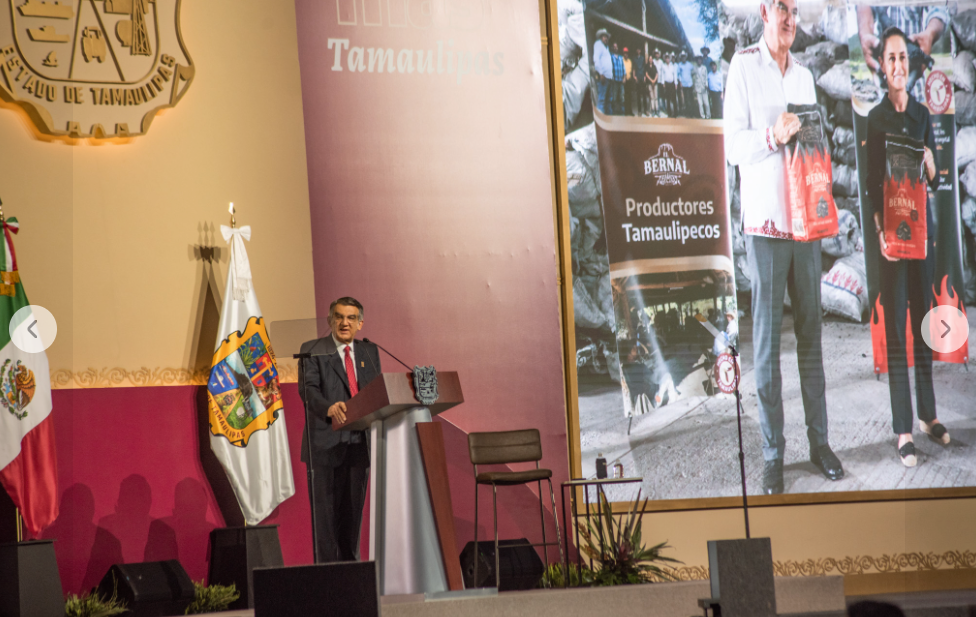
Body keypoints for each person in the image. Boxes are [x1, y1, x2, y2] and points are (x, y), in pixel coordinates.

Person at [724, 0, 844, 494]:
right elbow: (732, 145)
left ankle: (820, 443)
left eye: (794, 10)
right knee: (769, 343)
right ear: (763, 12)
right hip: (767, 226)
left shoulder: (805, 77)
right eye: (781, 8)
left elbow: (811, 145)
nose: (789, 18)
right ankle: (773, 454)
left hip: (805, 228)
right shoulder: (743, 67)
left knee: (812, 337)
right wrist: (772, 137)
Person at [866, 27, 949, 467]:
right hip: (892, 244)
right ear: (883, 66)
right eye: (891, 58)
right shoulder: (875, 118)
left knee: (923, 325)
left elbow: (933, 178)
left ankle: (928, 416)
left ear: (910, 64)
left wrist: (932, 165)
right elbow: (870, 186)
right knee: (897, 329)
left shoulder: (921, 114)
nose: (898, 65)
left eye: (903, 57)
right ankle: (903, 428)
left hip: (921, 238)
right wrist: (880, 232)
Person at [299, 297, 382, 562]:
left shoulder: (369, 352)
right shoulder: (313, 349)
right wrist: (329, 408)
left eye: (351, 318)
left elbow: (375, 392)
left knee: (352, 521)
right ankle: (326, 578)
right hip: (325, 446)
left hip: (359, 446)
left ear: (360, 323)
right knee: (326, 525)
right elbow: (308, 391)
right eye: (339, 317)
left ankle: (352, 575)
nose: (344, 322)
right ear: (330, 320)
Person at [592, 29, 613, 114]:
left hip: (609, 78)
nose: (606, 38)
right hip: (603, 77)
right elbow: (596, 60)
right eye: (604, 36)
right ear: (601, 37)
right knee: (602, 100)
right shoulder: (598, 44)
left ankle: (609, 120)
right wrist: (601, 73)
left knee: (608, 101)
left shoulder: (606, 47)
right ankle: (600, 119)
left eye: (607, 37)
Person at [676, 51, 695, 117]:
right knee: (686, 99)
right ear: (681, 58)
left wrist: (691, 76)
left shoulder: (689, 64)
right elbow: (678, 75)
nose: (683, 58)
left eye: (684, 56)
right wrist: (680, 82)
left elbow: (693, 70)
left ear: (686, 57)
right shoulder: (679, 65)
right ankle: (687, 113)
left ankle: (692, 113)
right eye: (682, 57)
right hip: (684, 85)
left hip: (690, 84)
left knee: (691, 98)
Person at [611, 42, 626, 115]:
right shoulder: (611, 57)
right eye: (614, 47)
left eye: (616, 46)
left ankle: (622, 113)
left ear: (618, 48)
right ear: (612, 48)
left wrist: (624, 77)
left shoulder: (620, 57)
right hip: (615, 81)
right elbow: (610, 68)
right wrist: (612, 78)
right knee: (614, 97)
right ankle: (614, 113)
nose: (615, 48)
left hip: (621, 81)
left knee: (622, 97)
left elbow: (623, 68)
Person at [660, 52, 677, 117]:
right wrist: (663, 83)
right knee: (668, 99)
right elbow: (662, 75)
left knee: (674, 99)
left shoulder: (672, 66)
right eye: (666, 58)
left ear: (670, 59)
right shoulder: (663, 66)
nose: (667, 59)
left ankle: (675, 113)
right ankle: (669, 113)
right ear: (665, 59)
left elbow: (675, 75)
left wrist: (676, 84)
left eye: (668, 58)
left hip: (672, 84)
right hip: (667, 84)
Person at [647, 49, 661, 116]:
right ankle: (652, 110)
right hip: (650, 83)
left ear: (652, 60)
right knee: (652, 97)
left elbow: (657, 74)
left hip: (655, 84)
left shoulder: (654, 66)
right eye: (649, 59)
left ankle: (657, 110)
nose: (650, 60)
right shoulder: (647, 66)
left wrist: (654, 80)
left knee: (656, 97)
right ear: (648, 60)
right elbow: (646, 74)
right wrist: (651, 80)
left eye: (651, 59)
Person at [635, 48, 647, 116]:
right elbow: (634, 69)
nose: (638, 51)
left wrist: (645, 76)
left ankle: (645, 110)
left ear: (640, 51)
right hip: (638, 78)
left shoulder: (643, 58)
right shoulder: (634, 59)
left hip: (642, 78)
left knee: (644, 95)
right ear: (636, 51)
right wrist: (634, 77)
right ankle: (639, 111)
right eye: (637, 50)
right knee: (638, 95)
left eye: (639, 50)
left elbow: (645, 68)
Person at [623, 47, 634, 115]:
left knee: (630, 96)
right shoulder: (622, 60)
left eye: (627, 53)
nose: (626, 54)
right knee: (625, 97)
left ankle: (630, 111)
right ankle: (626, 112)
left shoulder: (630, 61)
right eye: (625, 53)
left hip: (629, 81)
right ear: (623, 54)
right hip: (624, 81)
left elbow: (631, 70)